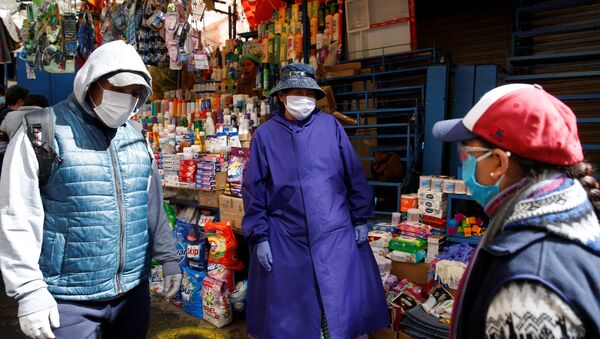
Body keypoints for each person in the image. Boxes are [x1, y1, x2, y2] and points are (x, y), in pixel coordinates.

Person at [0, 40, 181, 339]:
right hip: (68, 299)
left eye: (134, 94)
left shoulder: (136, 137)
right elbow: (17, 214)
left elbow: (151, 205)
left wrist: (169, 258)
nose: (126, 100)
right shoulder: (42, 132)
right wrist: (29, 290)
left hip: (132, 293)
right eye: (117, 90)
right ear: (91, 83)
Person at [432, 83, 600, 338]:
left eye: (465, 153)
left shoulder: (527, 281)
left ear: (499, 162)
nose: (462, 161)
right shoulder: (572, 218)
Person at [241, 63, 389, 339]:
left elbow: (353, 175)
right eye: (296, 92)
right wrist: (259, 235)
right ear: (282, 96)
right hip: (286, 237)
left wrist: (360, 218)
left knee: (338, 305)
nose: (304, 99)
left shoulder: (330, 126)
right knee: (293, 314)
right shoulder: (265, 136)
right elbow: (254, 189)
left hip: (335, 232)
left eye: (309, 93)